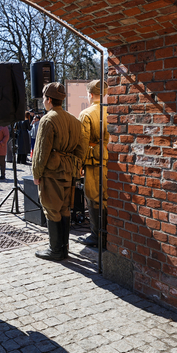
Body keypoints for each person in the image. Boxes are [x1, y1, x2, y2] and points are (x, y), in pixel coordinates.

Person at [31, 83, 87, 261]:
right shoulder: (73, 119)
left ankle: (55, 250)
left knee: (51, 209)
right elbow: (81, 148)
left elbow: (41, 152)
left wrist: (36, 173)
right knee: (64, 208)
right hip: (68, 171)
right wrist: (76, 166)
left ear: (48, 100)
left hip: (52, 172)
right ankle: (63, 248)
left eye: (44, 100)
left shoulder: (48, 120)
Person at [76, 80, 109, 247]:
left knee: (94, 197)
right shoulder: (112, 111)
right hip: (109, 159)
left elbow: (83, 143)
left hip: (94, 160)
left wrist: (79, 165)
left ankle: (98, 235)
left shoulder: (86, 114)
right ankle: (108, 234)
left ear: (90, 94)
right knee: (106, 197)